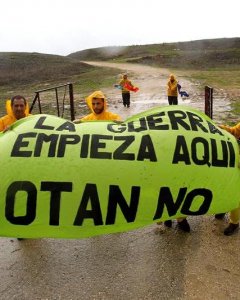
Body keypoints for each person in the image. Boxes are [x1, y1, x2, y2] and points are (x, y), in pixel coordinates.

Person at [0, 95, 31, 241]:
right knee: (14, 197)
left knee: (31, 195)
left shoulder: (33, 120)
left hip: (31, 166)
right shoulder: (3, 122)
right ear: (11, 107)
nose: (19, 108)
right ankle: (19, 228)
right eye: (16, 106)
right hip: (12, 168)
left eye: (21, 105)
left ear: (25, 106)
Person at [215, 122, 240, 235]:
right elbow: (234, 131)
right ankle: (224, 207)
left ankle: (234, 222)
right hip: (234, 163)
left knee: (236, 196)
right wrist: (219, 127)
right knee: (225, 188)